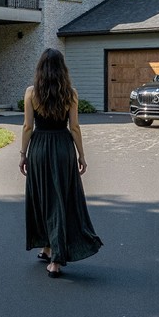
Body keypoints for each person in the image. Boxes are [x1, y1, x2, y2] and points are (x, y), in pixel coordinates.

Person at [19, 48, 102, 278]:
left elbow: (27, 127)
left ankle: (55, 259)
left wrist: (22, 154)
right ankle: (48, 248)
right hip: (63, 149)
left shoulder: (31, 93)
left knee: (43, 198)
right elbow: (74, 127)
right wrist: (81, 155)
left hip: (39, 150)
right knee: (60, 200)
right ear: (62, 70)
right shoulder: (71, 94)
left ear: (40, 69)